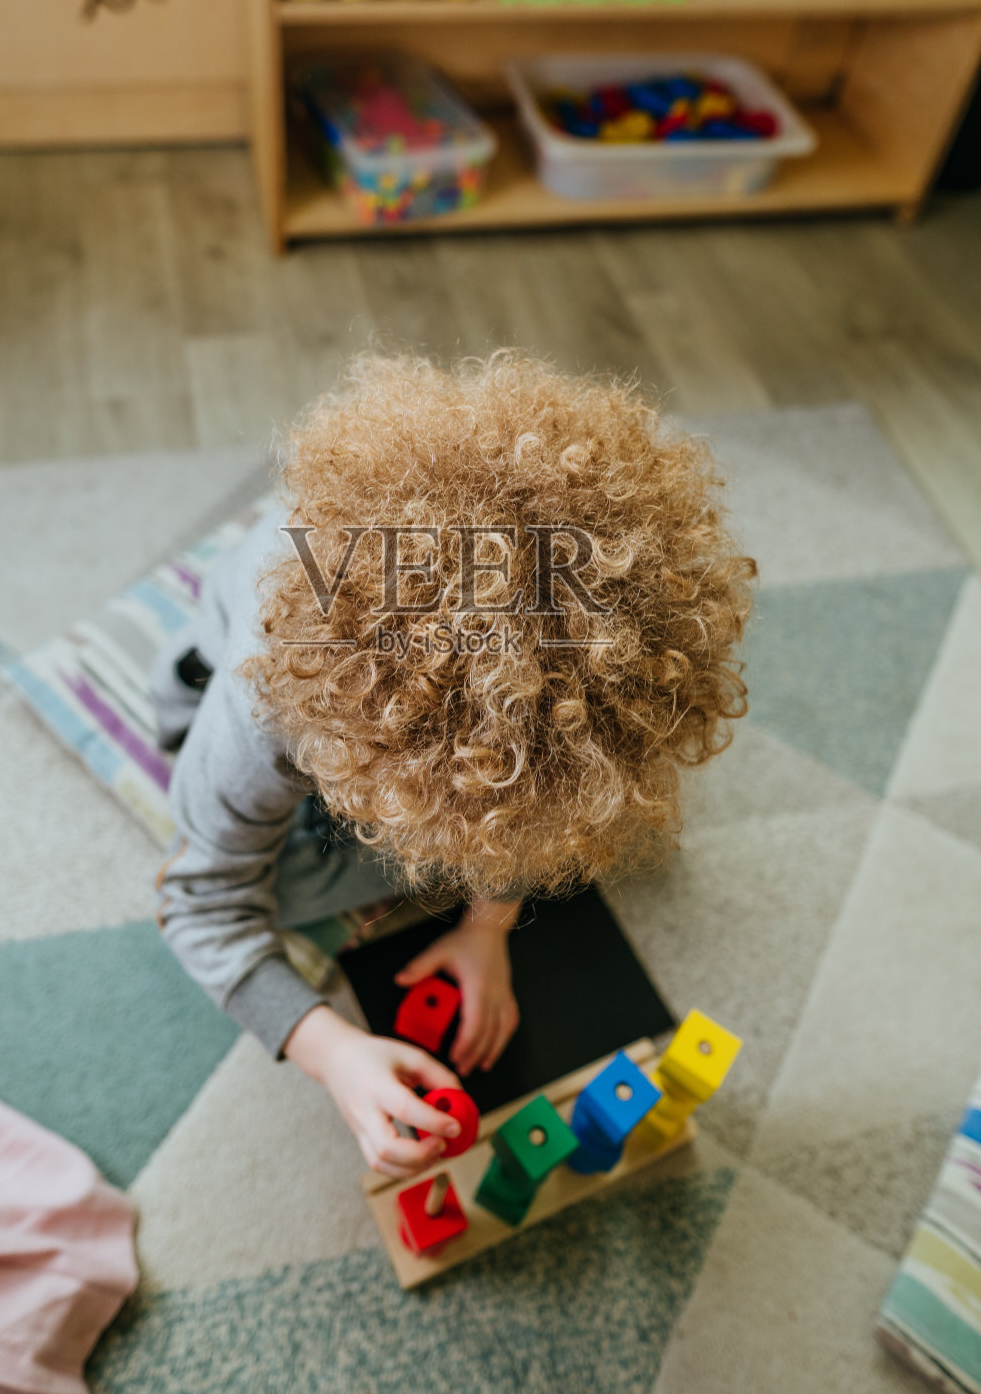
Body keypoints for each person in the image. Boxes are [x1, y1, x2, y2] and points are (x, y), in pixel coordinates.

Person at [150, 351, 754, 1177]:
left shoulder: (587, 687)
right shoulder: (271, 709)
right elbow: (197, 900)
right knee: (283, 890)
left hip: (380, 689)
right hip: (261, 695)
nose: (488, 864)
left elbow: (525, 809)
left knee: (586, 835)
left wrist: (487, 923)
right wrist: (331, 1051)